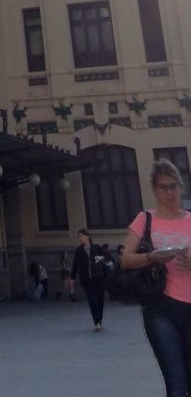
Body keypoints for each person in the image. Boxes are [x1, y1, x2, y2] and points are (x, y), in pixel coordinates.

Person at [121, 157, 191, 397]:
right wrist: (153, 257)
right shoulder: (145, 219)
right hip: (160, 308)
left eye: (174, 186)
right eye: (164, 187)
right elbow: (126, 259)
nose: (170, 192)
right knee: (177, 384)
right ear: (154, 189)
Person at [70, 228, 107, 330]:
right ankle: (96, 323)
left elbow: (106, 256)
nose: (80, 239)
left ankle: (100, 320)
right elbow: (75, 265)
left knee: (100, 300)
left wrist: (100, 258)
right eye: (79, 237)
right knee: (92, 300)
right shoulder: (79, 250)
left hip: (98, 278)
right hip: (86, 280)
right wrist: (72, 278)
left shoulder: (96, 248)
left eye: (81, 236)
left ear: (88, 237)